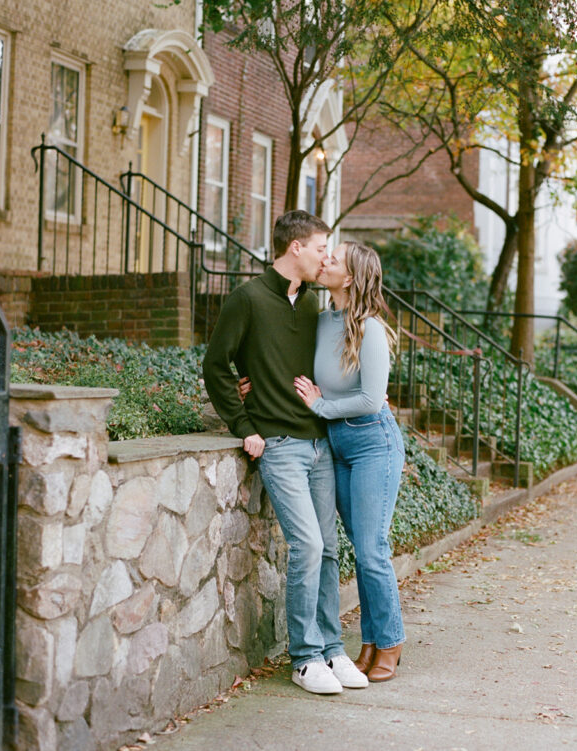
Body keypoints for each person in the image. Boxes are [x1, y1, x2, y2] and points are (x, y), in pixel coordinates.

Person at [202, 210, 368, 695]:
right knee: (309, 545)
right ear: (295, 247)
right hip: (279, 445)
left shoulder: (317, 306)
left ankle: (332, 650)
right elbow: (216, 366)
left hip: (320, 443)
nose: (326, 256)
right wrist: (244, 423)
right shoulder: (247, 300)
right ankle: (304, 658)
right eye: (321, 247)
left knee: (330, 550)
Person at [293, 240, 406, 682]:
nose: (325, 261)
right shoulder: (322, 322)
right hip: (336, 445)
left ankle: (390, 643)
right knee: (360, 549)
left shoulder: (371, 330)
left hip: (373, 442)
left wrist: (321, 408)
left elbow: (370, 399)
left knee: (373, 548)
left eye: (334, 260)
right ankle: (370, 642)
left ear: (352, 278)